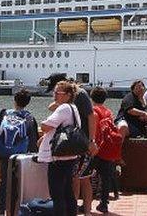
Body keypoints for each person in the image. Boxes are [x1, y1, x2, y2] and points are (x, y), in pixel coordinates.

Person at [44, 75, 97, 215]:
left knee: (81, 180)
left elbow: (92, 116)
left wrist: (92, 141)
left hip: (78, 143)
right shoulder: (71, 102)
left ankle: (87, 210)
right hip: (73, 145)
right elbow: (51, 106)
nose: (54, 94)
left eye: (56, 92)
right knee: (72, 183)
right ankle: (79, 211)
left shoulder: (80, 95)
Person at [0, 89, 37, 215]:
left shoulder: (5, 113)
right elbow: (32, 138)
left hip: (4, 153)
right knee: (19, 182)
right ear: (28, 102)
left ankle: (0, 209)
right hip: (20, 155)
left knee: (4, 180)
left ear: (14, 100)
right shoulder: (29, 117)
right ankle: (16, 210)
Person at [39, 80, 82, 216]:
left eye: (58, 93)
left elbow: (46, 126)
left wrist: (43, 123)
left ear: (68, 95)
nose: (55, 95)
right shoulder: (73, 108)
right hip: (70, 154)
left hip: (58, 156)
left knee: (57, 193)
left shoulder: (63, 108)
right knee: (68, 191)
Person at [89, 87, 120, 214]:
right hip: (107, 148)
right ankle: (104, 203)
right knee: (106, 177)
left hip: (96, 148)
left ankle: (87, 203)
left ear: (91, 98)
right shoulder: (108, 111)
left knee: (86, 177)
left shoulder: (93, 111)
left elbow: (94, 131)